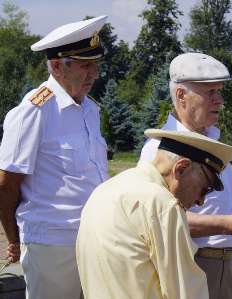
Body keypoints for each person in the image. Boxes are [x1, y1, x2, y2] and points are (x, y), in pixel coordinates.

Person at [139, 52, 232, 299]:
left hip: (223, 265)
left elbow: (206, 207)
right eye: (210, 92)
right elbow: (158, 220)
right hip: (189, 265)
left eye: (220, 92)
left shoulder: (211, 140)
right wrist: (229, 224)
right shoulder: (160, 150)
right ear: (181, 96)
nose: (220, 100)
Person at [0, 16, 109, 299]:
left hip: (95, 239)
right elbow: (6, 184)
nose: (94, 73)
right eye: (86, 65)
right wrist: (14, 237)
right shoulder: (34, 111)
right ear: (58, 66)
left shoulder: (89, 110)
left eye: (96, 64)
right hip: (52, 245)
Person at [77, 129, 232, 298]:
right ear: (181, 169)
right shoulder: (162, 204)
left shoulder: (105, 189)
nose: (201, 201)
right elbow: (185, 292)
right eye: (205, 189)